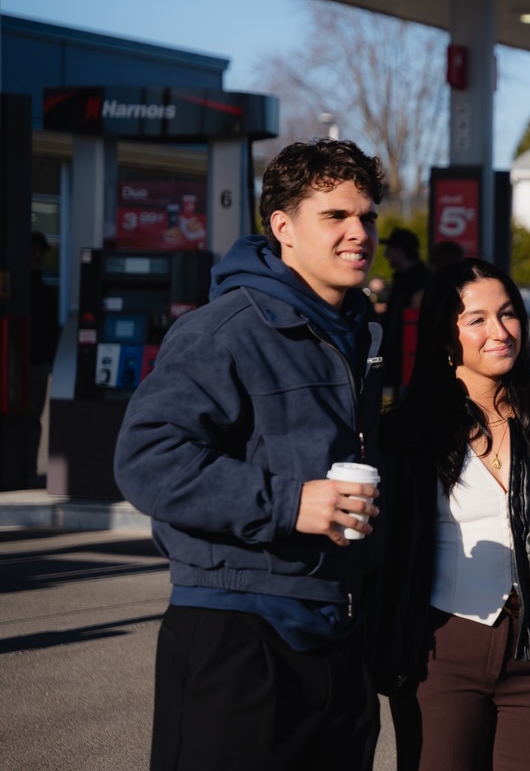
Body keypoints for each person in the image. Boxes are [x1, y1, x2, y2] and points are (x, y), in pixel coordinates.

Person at [113, 138, 387, 771]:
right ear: (283, 228)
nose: (359, 232)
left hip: (336, 631)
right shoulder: (225, 329)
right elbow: (146, 457)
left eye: (367, 216)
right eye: (336, 216)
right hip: (237, 631)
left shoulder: (354, 333)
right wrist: (289, 502)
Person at [369, 258, 530, 771]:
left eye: (508, 314)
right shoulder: (405, 436)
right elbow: (382, 548)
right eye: (478, 319)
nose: (500, 331)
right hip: (437, 655)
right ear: (447, 337)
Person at [26, 232, 61, 487]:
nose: (38, 256)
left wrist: (50, 363)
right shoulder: (19, 289)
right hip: (18, 365)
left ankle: (26, 471)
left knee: (32, 421)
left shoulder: (45, 293)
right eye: (33, 250)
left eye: (41, 251)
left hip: (37, 365)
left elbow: (50, 330)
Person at [381, 227, 430, 395]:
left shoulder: (422, 282)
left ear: (400, 250)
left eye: (389, 249)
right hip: (400, 366)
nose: (385, 255)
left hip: (413, 368)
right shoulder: (403, 279)